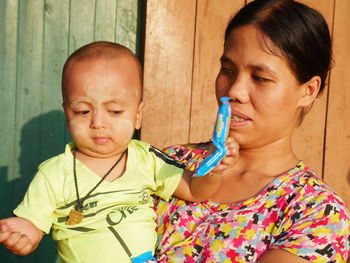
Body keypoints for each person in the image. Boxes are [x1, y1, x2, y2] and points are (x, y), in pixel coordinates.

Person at [0, 41, 236, 263]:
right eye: (82, 111)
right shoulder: (54, 174)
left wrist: (213, 169)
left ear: (138, 115)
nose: (98, 123)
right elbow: (32, 225)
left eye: (114, 111)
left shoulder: (146, 159)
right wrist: (25, 233)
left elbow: (195, 191)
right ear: (67, 114)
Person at [154, 0, 350, 262]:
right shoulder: (171, 163)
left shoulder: (315, 212)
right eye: (228, 70)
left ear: (308, 90)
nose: (234, 90)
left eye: (260, 78)